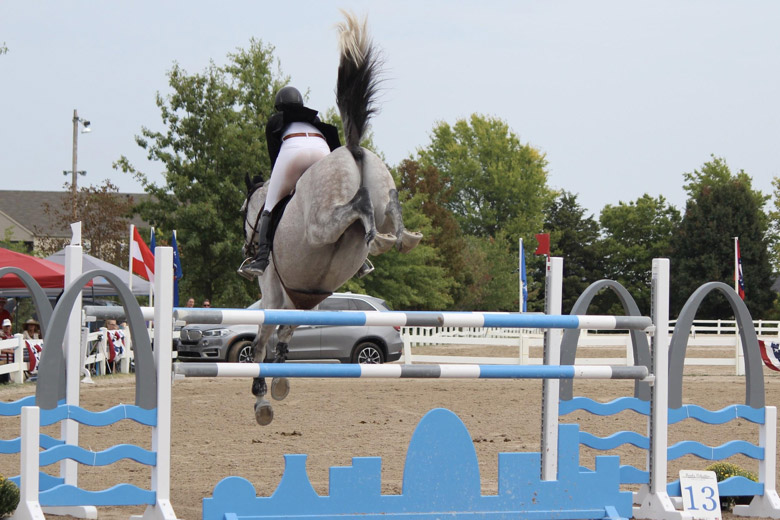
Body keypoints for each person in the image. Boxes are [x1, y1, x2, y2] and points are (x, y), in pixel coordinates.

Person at [242, 86, 341, 276]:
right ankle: (359, 258)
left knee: (270, 205)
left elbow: (275, 156)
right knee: (333, 202)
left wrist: (280, 183)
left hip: (293, 151)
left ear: (279, 105)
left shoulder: (275, 121)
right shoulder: (314, 119)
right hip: (323, 150)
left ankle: (261, 259)